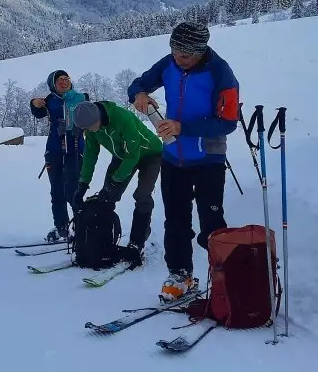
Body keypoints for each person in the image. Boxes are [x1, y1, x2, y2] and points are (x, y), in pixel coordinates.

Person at [127, 21, 240, 302]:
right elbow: (138, 83)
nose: (179, 59)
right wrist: (139, 94)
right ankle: (181, 275)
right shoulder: (169, 63)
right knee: (176, 221)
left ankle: (224, 277)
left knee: (212, 223)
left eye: (185, 55)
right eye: (175, 53)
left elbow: (228, 122)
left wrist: (182, 128)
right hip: (173, 157)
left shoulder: (221, 73)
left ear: (200, 51)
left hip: (208, 159)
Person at [71, 100, 163, 268]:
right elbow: (90, 154)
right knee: (107, 196)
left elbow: (133, 155)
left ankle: (137, 242)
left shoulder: (123, 118)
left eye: (91, 126)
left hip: (150, 154)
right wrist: (83, 184)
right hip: (122, 155)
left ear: (98, 117)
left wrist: (115, 180)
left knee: (142, 195)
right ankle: (100, 240)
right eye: (86, 129)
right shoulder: (91, 127)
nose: (90, 130)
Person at [29, 70, 88, 243]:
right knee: (57, 191)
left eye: (66, 79)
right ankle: (62, 228)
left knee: (74, 190)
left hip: (75, 150)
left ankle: (81, 227)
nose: (64, 82)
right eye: (59, 80)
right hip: (54, 150)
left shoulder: (81, 98)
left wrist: (80, 126)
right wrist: (34, 103)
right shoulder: (50, 100)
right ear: (53, 85)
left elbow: (92, 116)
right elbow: (37, 112)